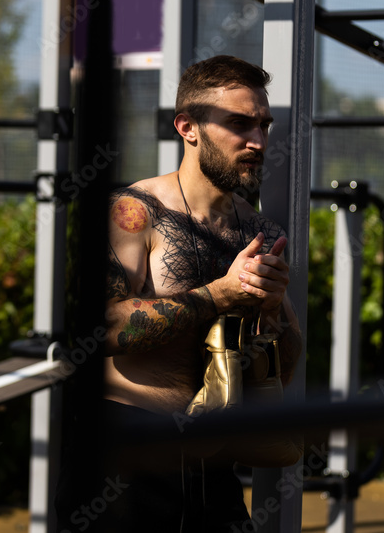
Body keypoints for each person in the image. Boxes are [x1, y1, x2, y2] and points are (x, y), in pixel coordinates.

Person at [62, 55, 303, 532]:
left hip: (214, 455)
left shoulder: (258, 229)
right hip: (127, 454)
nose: (257, 141)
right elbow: (98, 328)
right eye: (239, 123)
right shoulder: (135, 211)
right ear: (188, 127)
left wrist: (271, 314)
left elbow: (289, 363)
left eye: (264, 125)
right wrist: (219, 295)